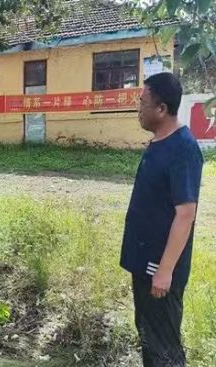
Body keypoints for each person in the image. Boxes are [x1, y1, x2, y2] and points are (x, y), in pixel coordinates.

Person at [120, 72, 204, 366]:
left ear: (161, 109)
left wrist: (165, 271)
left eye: (142, 102)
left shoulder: (183, 148)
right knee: (148, 334)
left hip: (159, 266)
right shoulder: (159, 142)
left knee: (163, 344)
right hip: (143, 261)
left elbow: (186, 214)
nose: (138, 109)